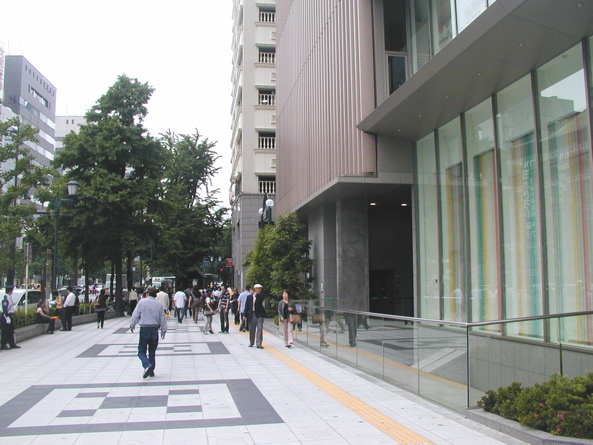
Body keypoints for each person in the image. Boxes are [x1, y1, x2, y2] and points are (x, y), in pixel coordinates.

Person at [130, 286, 167, 378]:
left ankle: (147, 364)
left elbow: (136, 314)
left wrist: (132, 325)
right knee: (152, 351)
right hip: (154, 329)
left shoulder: (142, 302)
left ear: (147, 294)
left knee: (141, 351)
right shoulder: (158, 304)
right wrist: (163, 330)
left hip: (144, 328)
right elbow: (162, 318)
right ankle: (151, 371)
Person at [246, 284, 266, 349]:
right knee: (252, 329)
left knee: (260, 329)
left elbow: (260, 298)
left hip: (260, 314)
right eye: (257, 288)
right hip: (252, 314)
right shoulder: (249, 297)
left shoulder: (261, 295)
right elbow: (247, 306)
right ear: (254, 289)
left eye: (259, 289)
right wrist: (244, 315)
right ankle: (251, 342)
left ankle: (259, 343)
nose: (258, 290)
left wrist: (256, 294)